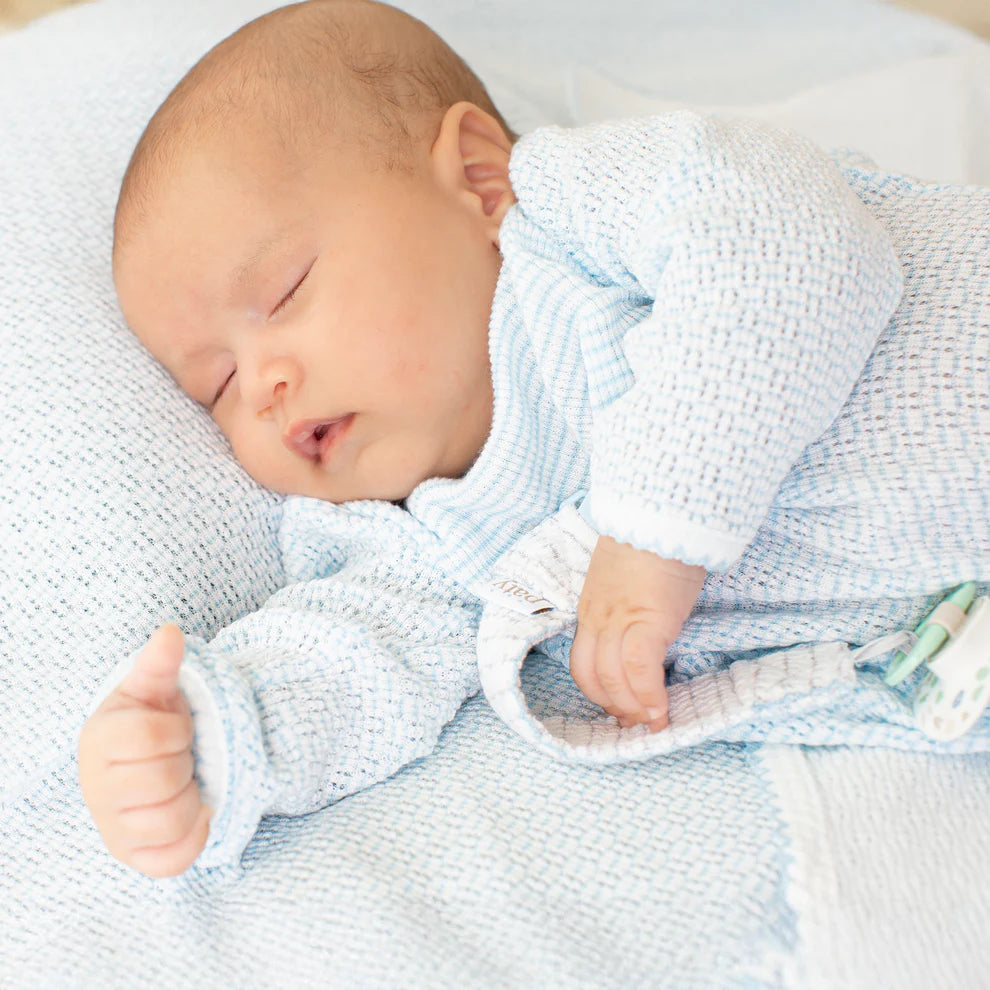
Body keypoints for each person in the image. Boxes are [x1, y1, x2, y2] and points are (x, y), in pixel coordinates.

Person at [78, 0, 990, 878]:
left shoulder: (572, 228)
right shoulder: (427, 539)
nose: (265, 385)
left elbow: (789, 239)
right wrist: (210, 741)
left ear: (478, 182)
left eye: (283, 292)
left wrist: (657, 524)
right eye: (219, 385)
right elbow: (360, 656)